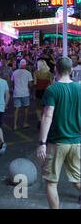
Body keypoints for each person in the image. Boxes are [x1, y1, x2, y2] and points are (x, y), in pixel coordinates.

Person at [37, 56, 81, 209]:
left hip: (57, 142)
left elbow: (48, 115)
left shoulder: (52, 89)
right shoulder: (79, 88)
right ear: (71, 70)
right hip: (76, 141)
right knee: (77, 181)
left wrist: (42, 143)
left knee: (51, 182)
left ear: (56, 69)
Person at [11, 59, 33, 130]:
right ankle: (24, 123)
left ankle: (14, 125)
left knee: (16, 109)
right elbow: (30, 84)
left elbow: (12, 83)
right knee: (26, 108)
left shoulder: (14, 72)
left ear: (19, 65)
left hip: (16, 92)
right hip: (25, 93)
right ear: (25, 65)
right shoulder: (28, 73)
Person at [34, 60, 54, 127]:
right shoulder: (49, 73)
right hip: (46, 91)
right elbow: (52, 84)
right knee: (46, 107)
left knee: (38, 107)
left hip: (38, 91)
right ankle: (45, 120)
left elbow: (35, 83)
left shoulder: (36, 72)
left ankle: (39, 120)